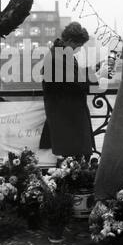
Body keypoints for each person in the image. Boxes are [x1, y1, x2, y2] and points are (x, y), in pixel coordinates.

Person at [39, 22, 96, 157]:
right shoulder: (59, 57)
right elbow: (75, 85)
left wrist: (95, 70)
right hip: (68, 120)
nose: (78, 49)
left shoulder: (59, 54)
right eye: (77, 46)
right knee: (75, 163)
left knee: (72, 163)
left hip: (67, 118)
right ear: (70, 41)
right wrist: (96, 77)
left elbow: (71, 78)